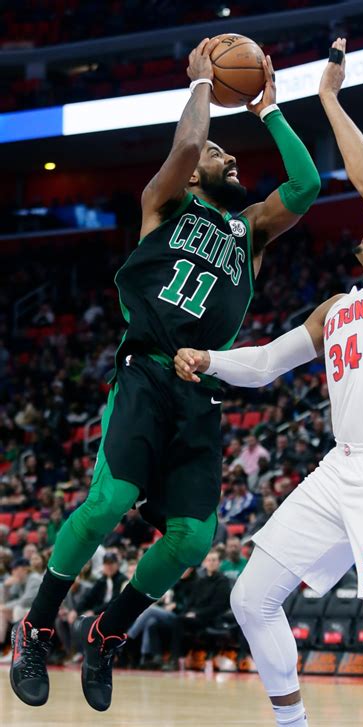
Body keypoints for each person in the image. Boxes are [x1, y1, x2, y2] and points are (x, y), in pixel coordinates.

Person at [10, 38, 321, 712]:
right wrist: (203, 84)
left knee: (193, 537)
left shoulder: (249, 232)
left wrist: (269, 110)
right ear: (193, 175)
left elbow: (306, 187)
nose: (229, 158)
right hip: (146, 372)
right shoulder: (164, 202)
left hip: (200, 391)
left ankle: (107, 633)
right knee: (109, 501)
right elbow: (186, 147)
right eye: (220, 154)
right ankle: (35, 627)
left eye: (229, 154)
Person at [174, 39, 363, 727]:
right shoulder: (337, 307)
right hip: (339, 469)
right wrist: (210, 358)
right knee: (250, 597)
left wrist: (326, 98)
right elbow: (267, 363)